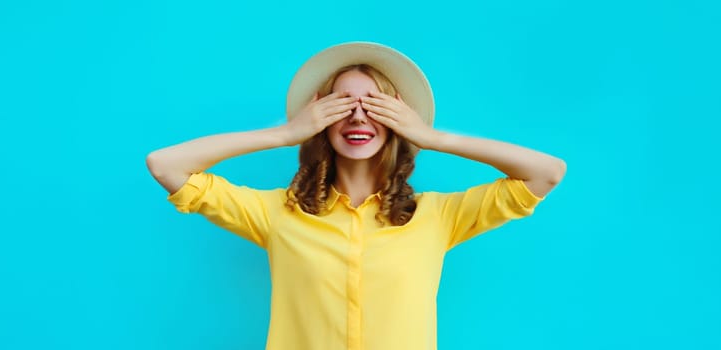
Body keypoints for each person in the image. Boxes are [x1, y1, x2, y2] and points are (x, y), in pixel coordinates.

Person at [146, 42, 566, 350]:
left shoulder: (437, 217)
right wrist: (286, 132)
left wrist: (430, 136)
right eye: (342, 103)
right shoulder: (276, 214)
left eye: (375, 104)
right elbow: (166, 165)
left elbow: (547, 172)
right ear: (321, 121)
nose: (358, 115)